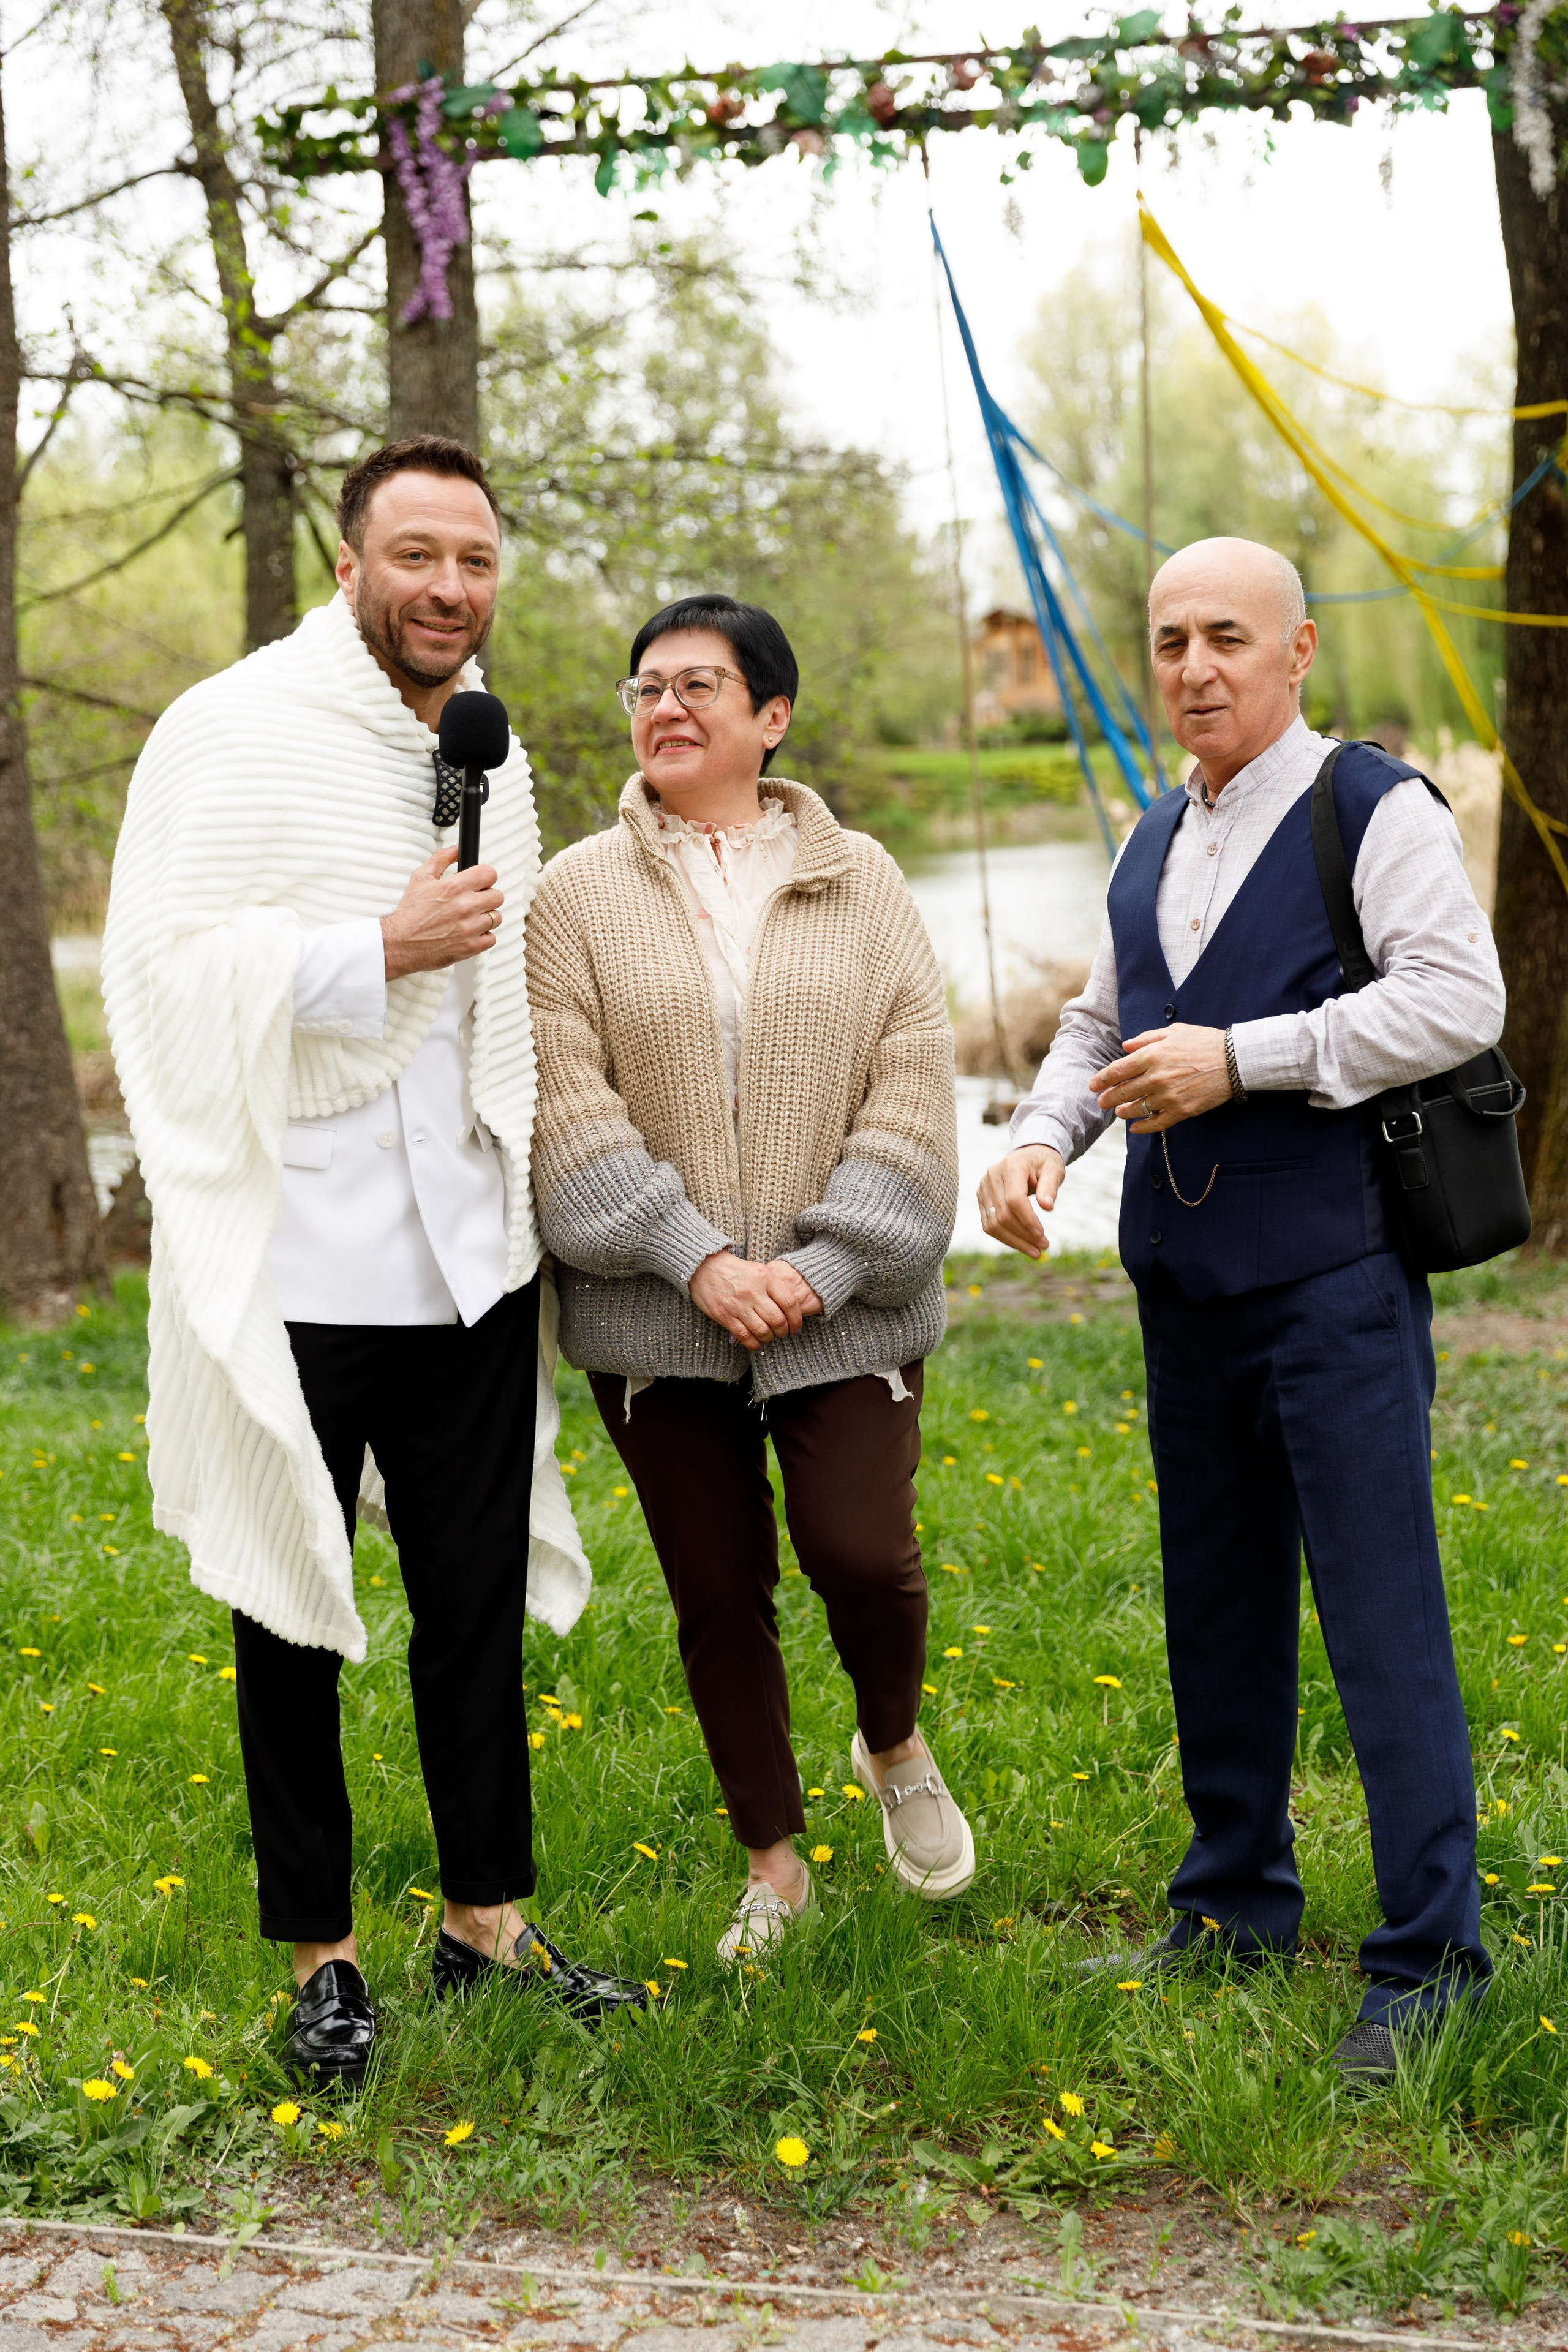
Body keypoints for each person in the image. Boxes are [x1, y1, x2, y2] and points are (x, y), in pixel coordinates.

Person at [103, 435, 647, 2090]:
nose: (448, 589)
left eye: (473, 559)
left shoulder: (495, 753)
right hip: (300, 1251)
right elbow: (159, 972)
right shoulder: (231, 730)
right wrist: (368, 954)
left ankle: (485, 1921)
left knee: (471, 1602)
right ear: (351, 564)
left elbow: (510, 1000)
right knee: (294, 1602)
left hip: (466, 1253)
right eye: (416, 555)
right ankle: (322, 1956)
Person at [979, 537, 1504, 2082]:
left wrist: (1241, 1056)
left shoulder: (1369, 806)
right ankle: (1228, 1911)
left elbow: (1453, 998)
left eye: (1225, 636)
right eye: (1166, 641)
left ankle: (1429, 1957)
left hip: (1334, 1277)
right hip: (1182, 1283)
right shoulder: (1154, 830)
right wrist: (1032, 1141)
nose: (1192, 666)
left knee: (1377, 1615)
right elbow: (1099, 1019)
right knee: (1213, 1607)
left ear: (1296, 651)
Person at [526, 594, 971, 1961]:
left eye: (698, 686)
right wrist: (697, 1261)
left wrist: (825, 1265)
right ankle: (772, 1864)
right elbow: (566, 1102)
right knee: (716, 1588)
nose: (664, 708)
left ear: (770, 719)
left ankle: (889, 1742)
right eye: (645, 687)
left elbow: (912, 1087)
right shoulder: (570, 895)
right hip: (655, 1313)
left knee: (860, 1556)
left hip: (852, 1303)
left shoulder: (866, 880)